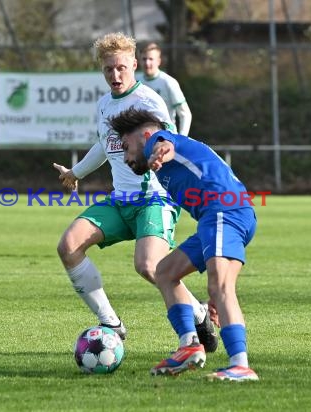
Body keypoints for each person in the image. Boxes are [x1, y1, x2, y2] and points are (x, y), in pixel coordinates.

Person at [52, 32, 218, 352]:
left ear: (133, 64)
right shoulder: (104, 105)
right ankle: (110, 322)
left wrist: (164, 159)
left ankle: (197, 314)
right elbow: (104, 145)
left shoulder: (148, 102)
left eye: (121, 68)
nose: (115, 75)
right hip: (120, 199)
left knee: (150, 267)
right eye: (108, 70)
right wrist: (76, 174)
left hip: (154, 198)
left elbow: (170, 143)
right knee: (68, 245)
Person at [109, 107, 259, 381]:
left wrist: (160, 151)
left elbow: (166, 142)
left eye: (126, 145)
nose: (124, 155)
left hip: (225, 212)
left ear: (144, 136)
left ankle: (241, 365)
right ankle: (189, 346)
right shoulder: (162, 164)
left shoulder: (159, 142)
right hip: (217, 217)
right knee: (165, 271)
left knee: (221, 286)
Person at [137, 42, 192, 135]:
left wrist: (182, 139)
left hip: (167, 139)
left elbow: (185, 114)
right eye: (144, 59)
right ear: (139, 61)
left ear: (158, 61)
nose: (147, 63)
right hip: (143, 141)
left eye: (151, 59)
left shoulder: (169, 82)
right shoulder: (136, 83)